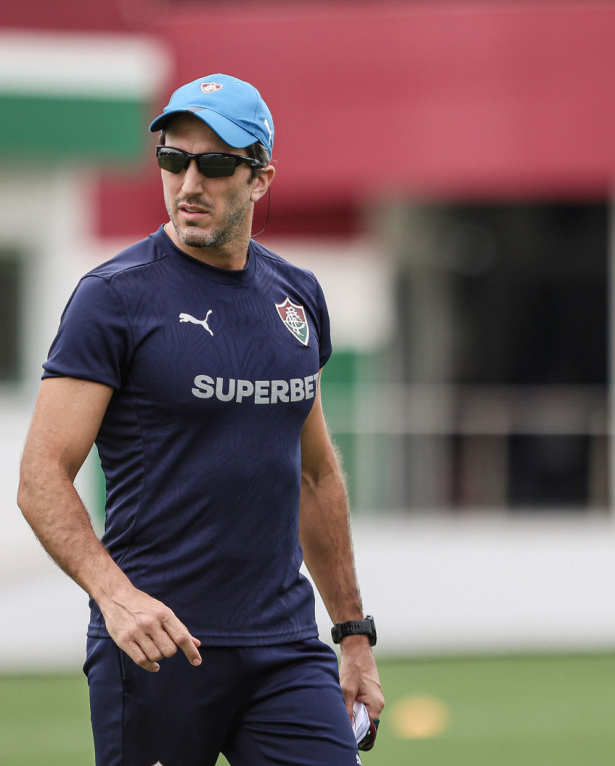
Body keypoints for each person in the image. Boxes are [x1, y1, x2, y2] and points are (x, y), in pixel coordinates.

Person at [17, 72, 384, 766]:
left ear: (260, 178)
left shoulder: (296, 298)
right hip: (157, 651)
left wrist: (353, 634)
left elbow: (314, 476)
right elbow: (41, 478)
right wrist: (116, 598)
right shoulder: (111, 299)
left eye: (215, 165)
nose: (189, 183)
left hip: (284, 650)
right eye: (172, 159)